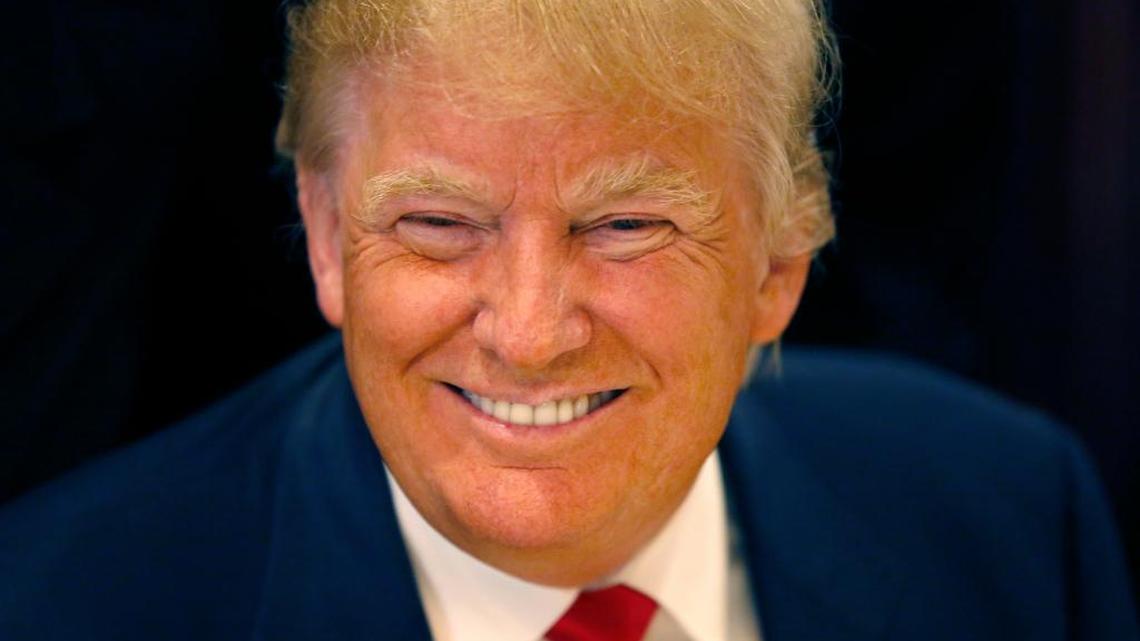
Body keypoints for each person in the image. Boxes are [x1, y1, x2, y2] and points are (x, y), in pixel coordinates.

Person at [0, 0, 1135, 639]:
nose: (531, 332)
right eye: (440, 222)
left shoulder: (1013, 522)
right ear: (321, 227)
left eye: (627, 224)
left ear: (780, 257)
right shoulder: (58, 602)